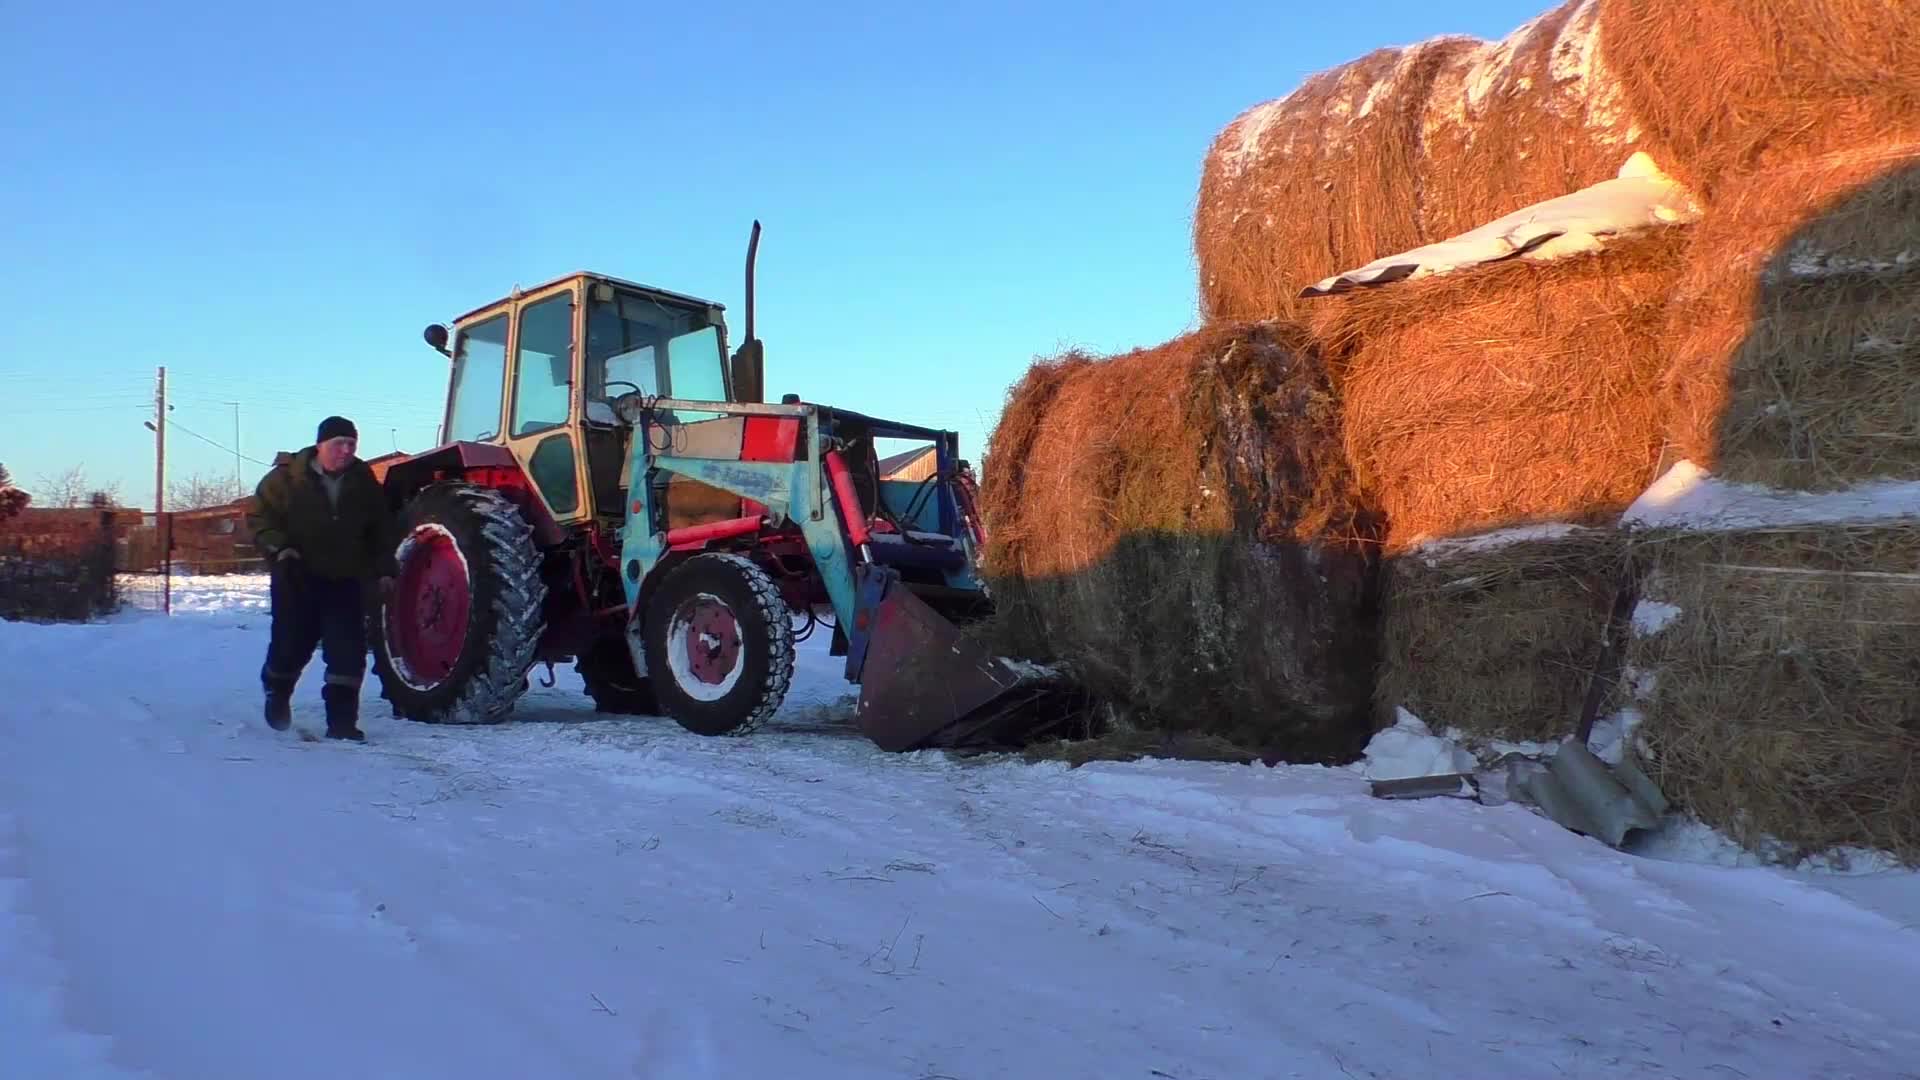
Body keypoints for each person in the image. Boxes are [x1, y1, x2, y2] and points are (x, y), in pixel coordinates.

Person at [247, 416, 395, 740]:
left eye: (351, 445)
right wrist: (280, 549)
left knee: (348, 652)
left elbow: (381, 530)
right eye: (338, 444)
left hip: (346, 580)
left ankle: (341, 723)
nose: (345, 451)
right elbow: (259, 519)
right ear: (319, 446)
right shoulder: (285, 480)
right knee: (291, 646)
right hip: (297, 578)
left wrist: (385, 569)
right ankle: (277, 691)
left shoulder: (362, 480)